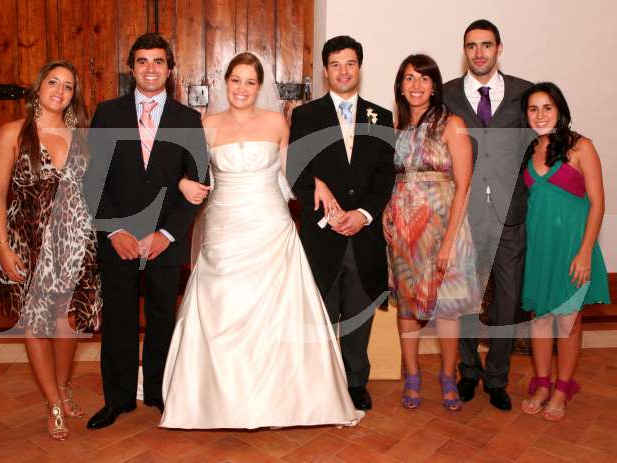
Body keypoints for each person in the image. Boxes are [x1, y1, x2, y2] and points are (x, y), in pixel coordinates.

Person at [160, 52, 362, 429]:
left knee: (277, 310)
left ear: (260, 87)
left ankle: (281, 401)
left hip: (269, 224)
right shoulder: (206, 125)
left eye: (250, 82)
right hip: (224, 228)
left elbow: (292, 170)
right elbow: (189, 172)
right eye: (236, 80)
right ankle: (219, 401)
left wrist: (317, 182)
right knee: (224, 305)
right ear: (225, 82)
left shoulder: (276, 122)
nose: (242, 88)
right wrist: (182, 182)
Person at [85, 33, 208, 430]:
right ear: (131, 68)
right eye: (142, 61)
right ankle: (117, 399)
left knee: (161, 317)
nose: (150, 68)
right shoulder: (108, 113)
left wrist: (167, 235)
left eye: (158, 61)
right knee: (118, 319)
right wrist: (114, 230)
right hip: (117, 238)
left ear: (170, 69)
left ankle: (158, 391)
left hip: (164, 241)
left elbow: (199, 184)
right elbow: (93, 180)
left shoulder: (188, 120)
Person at [0, 60, 101, 440]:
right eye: (53, 82)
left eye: (68, 86)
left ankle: (63, 388)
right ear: (38, 87)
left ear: (73, 96)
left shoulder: (81, 137)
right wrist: (2, 247)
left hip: (75, 241)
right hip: (28, 240)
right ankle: (53, 402)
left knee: (69, 321)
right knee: (36, 323)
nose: (60, 91)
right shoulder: (13, 133)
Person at [289, 35, 395, 410]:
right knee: (321, 310)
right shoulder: (306, 116)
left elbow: (384, 175)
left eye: (350, 63)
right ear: (325, 71)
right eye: (335, 65)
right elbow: (296, 170)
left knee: (358, 312)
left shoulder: (381, 117)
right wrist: (330, 216)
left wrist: (363, 214)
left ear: (359, 68)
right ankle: (322, 381)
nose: (343, 71)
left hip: (363, 235)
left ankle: (355, 381)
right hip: (322, 235)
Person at [443, 19, 532, 410]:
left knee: (507, 303)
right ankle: (469, 370)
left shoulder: (524, 93)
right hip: (465, 215)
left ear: (499, 48)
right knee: (466, 299)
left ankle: (497, 378)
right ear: (464, 50)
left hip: (510, 216)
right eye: (471, 46)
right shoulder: (446, 94)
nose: (479, 53)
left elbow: (540, 144)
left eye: (486, 45)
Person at [383, 54, 480, 411]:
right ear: (400, 86)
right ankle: (412, 376)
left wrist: (449, 242)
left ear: (435, 86)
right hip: (405, 229)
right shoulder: (397, 128)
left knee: (447, 308)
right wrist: (386, 210)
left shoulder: (452, 124)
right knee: (408, 306)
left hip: (444, 228)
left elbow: (464, 184)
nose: (416, 85)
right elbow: (393, 177)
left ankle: (447, 376)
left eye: (424, 78)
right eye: (409, 78)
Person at [519, 82, 609, 421]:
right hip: (538, 247)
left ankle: (562, 388)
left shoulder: (581, 147)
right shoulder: (527, 150)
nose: (540, 115)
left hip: (572, 248)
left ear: (560, 111)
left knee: (568, 320)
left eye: (547, 107)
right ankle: (543, 384)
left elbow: (598, 204)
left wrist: (585, 251)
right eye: (533, 109)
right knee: (540, 319)